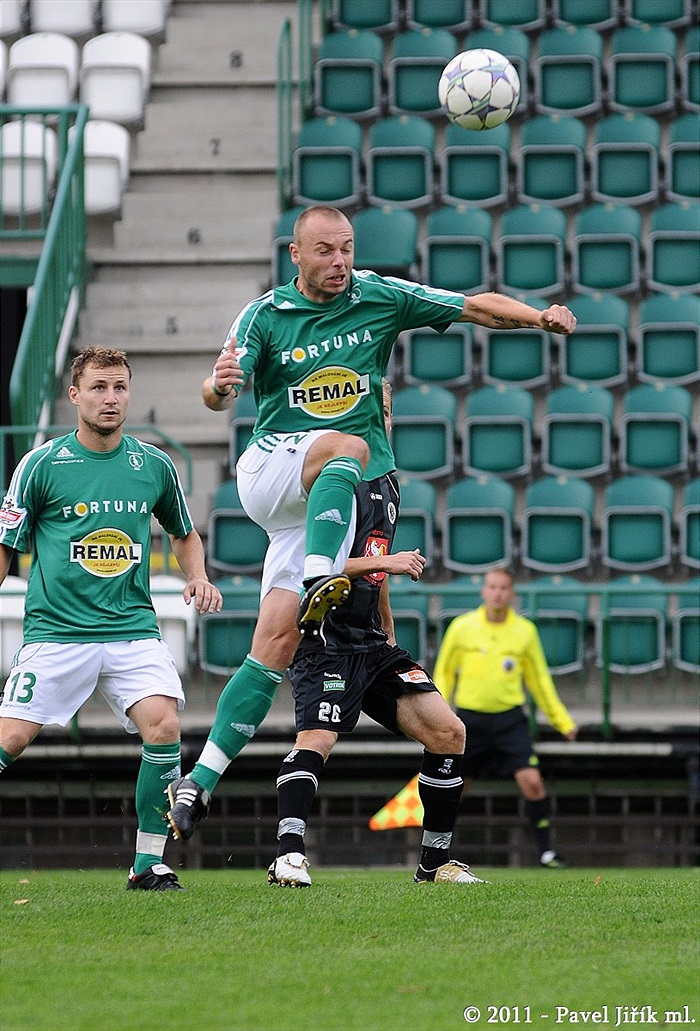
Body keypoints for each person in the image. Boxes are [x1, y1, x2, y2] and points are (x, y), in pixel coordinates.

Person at [166, 203, 577, 837]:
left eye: (348, 249)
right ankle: (322, 574)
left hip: (322, 505)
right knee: (347, 447)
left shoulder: (379, 296)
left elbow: (473, 307)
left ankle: (199, 782)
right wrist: (218, 388)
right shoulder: (266, 314)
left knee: (271, 647)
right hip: (275, 470)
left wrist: (539, 319)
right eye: (325, 251)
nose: (340, 262)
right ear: (296, 255)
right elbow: (219, 387)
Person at [0, 346, 222, 890]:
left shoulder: (154, 464)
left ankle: (148, 864)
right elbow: (5, 544)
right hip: (58, 632)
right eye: (98, 387)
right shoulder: (41, 464)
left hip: (131, 631)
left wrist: (198, 574)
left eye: (119, 387)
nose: (110, 398)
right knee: (11, 739)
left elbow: (183, 532)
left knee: (164, 726)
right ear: (74, 395)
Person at [268, 382, 484, 887]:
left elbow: (375, 555)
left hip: (371, 642)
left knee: (448, 732)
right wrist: (386, 561)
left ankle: (434, 867)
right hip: (325, 640)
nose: (379, 417)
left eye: (384, 409)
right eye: (370, 406)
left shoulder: (386, 480)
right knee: (317, 739)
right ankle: (288, 856)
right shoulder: (326, 477)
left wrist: (387, 625)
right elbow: (308, 562)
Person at [432, 566, 577, 869]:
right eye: (492, 587)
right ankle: (436, 849)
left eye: (503, 588)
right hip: (469, 721)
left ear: (511, 594)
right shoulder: (462, 627)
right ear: (484, 591)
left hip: (509, 721)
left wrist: (562, 721)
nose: (497, 593)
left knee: (533, 782)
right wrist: (438, 715)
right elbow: (443, 673)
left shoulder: (525, 631)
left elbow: (539, 680)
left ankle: (546, 852)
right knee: (453, 787)